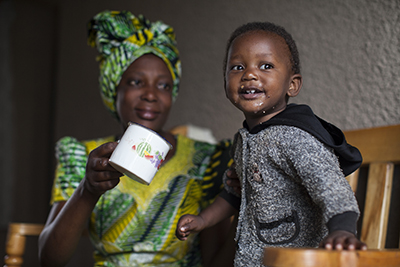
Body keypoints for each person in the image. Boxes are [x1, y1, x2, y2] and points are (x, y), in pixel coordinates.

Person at [38, 10, 237, 267]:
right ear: (114, 90)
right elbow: (49, 260)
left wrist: (245, 207)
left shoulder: (205, 159)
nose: (151, 95)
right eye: (135, 82)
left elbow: (215, 261)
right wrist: (88, 190)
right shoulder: (82, 156)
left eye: (164, 85)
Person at [175, 22, 367, 266]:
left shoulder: (295, 137)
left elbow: (330, 186)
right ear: (225, 83)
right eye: (237, 67)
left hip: (294, 259)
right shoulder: (246, 138)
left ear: (292, 84)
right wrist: (203, 220)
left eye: (266, 66)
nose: (249, 74)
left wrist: (343, 230)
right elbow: (235, 193)